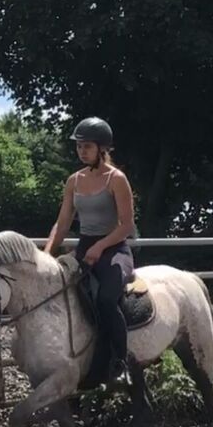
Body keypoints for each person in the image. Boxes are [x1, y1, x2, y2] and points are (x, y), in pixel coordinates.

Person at [44, 116, 136, 381]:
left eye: (87, 146)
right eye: (78, 146)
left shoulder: (116, 179)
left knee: (106, 298)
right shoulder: (74, 181)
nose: (81, 151)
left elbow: (127, 225)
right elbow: (62, 224)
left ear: (101, 149)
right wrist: (47, 252)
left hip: (114, 248)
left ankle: (121, 363)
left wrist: (101, 246)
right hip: (84, 248)